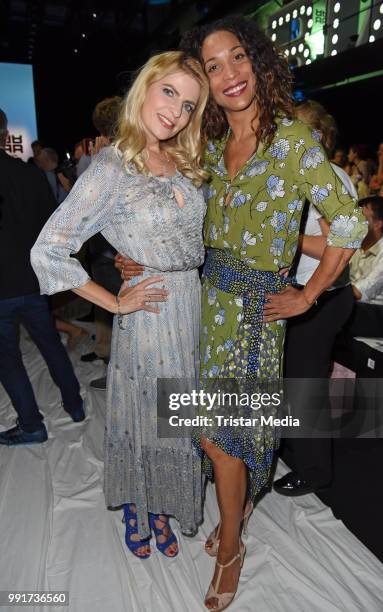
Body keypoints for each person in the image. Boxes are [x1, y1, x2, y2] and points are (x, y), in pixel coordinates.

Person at [121, 17, 367, 610]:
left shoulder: (291, 141)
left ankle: (230, 546)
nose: (229, 74)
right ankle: (242, 507)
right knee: (216, 435)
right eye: (213, 65)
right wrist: (137, 259)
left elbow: (352, 221)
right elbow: (169, 215)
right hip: (203, 304)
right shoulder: (203, 145)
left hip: (256, 316)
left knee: (219, 440)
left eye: (238, 58)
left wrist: (308, 296)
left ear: (257, 63)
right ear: (202, 80)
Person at [31, 52, 209, 560]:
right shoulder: (112, 166)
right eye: (169, 93)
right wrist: (112, 298)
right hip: (149, 311)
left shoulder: (187, 162)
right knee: (147, 413)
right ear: (146, 88)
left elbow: (192, 239)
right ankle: (138, 501)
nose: (176, 112)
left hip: (190, 305)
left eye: (189, 105)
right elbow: (49, 248)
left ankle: (162, 504)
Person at [273, 100, 357, 498]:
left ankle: (315, 470)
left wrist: (285, 241)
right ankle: (298, 448)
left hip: (321, 296)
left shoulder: (330, 178)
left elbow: (335, 246)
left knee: (305, 386)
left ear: (316, 137)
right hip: (314, 293)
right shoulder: (309, 174)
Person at [0, 108, 84, 447]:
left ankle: (32, 425)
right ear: (5, 135)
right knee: (50, 344)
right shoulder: (30, 174)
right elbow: (50, 226)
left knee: (8, 359)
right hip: (33, 278)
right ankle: (75, 405)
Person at [80, 96, 124, 390]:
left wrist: (96, 164)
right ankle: (110, 363)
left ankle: (116, 374)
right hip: (112, 251)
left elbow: (87, 206)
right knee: (111, 312)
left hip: (113, 251)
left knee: (117, 314)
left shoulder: (109, 158)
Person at [339, 196, 383, 342]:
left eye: (361, 217)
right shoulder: (357, 245)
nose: (354, 222)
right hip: (359, 307)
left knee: (332, 308)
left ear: (377, 224)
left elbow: (360, 292)